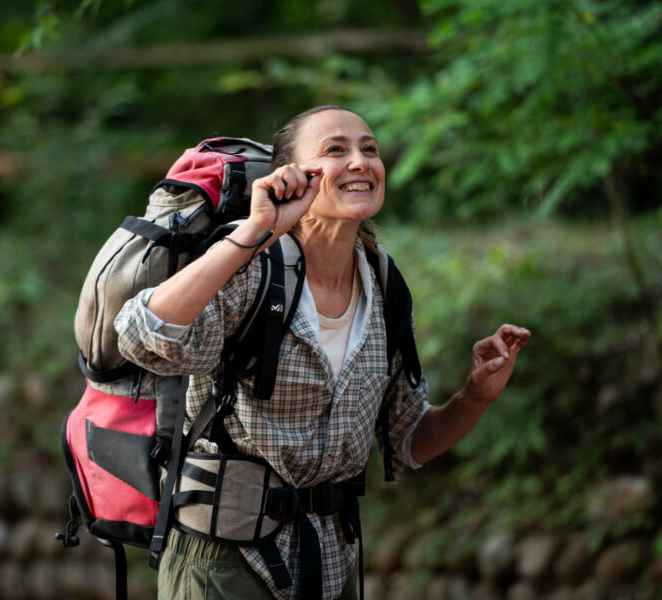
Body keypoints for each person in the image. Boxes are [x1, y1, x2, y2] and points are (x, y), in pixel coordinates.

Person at [114, 105, 531, 600]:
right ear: (292, 174)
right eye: (336, 150)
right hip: (224, 566)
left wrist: (474, 397)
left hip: (332, 564)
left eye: (369, 150)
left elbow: (409, 441)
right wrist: (252, 232)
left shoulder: (384, 286)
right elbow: (142, 338)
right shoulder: (250, 267)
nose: (359, 161)